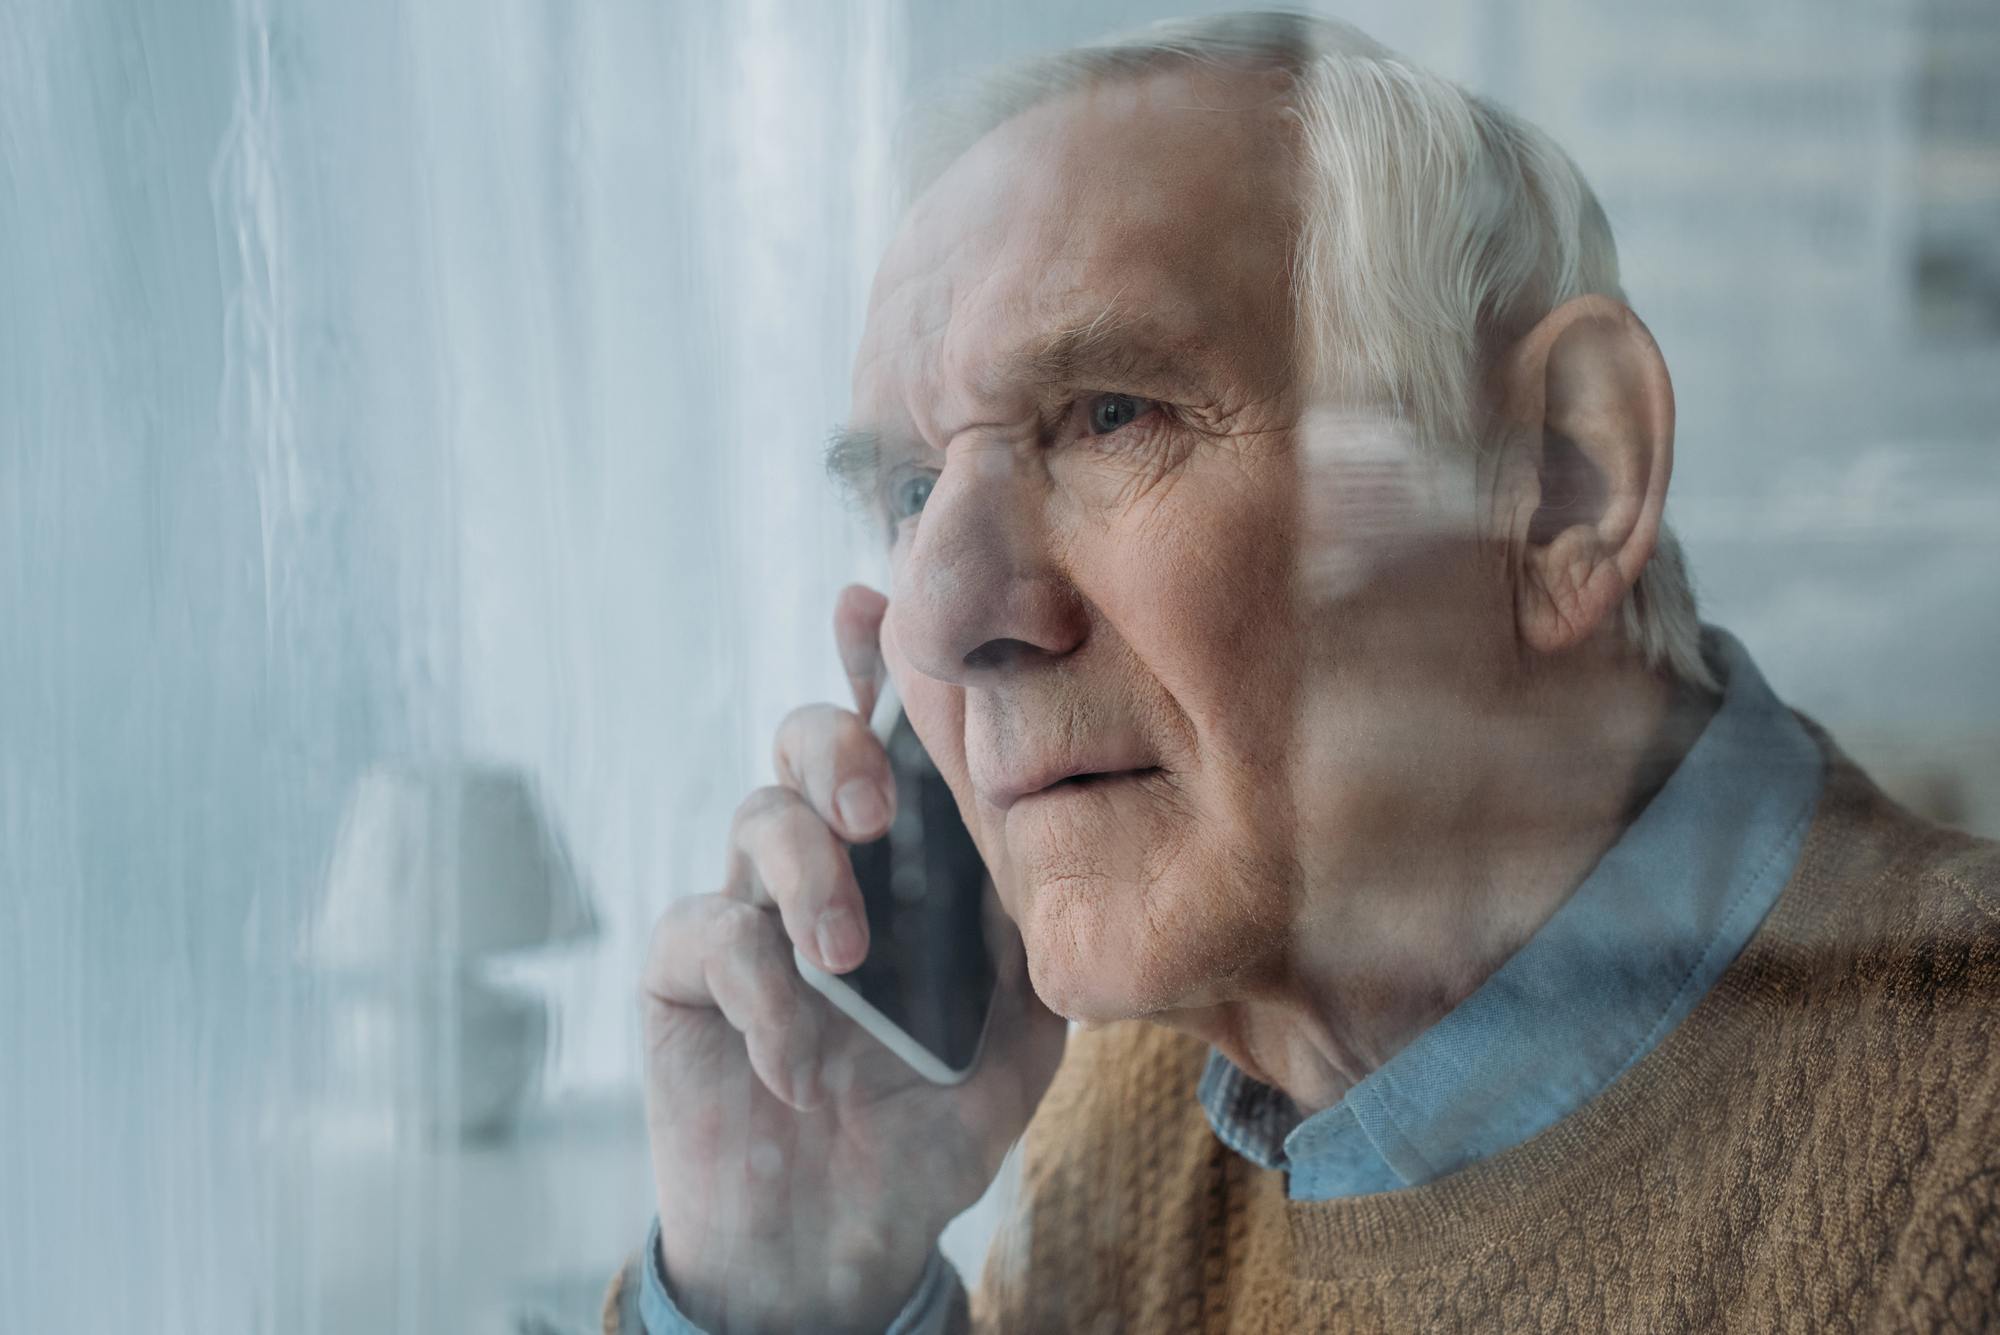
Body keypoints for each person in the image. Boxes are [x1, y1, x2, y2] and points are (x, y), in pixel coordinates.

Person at [607, 14, 2000, 1333]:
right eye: (912, 490)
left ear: (1563, 481)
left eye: (1110, 416)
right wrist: (788, 1289)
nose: (945, 618)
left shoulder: (1962, 1155)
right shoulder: (1146, 1098)